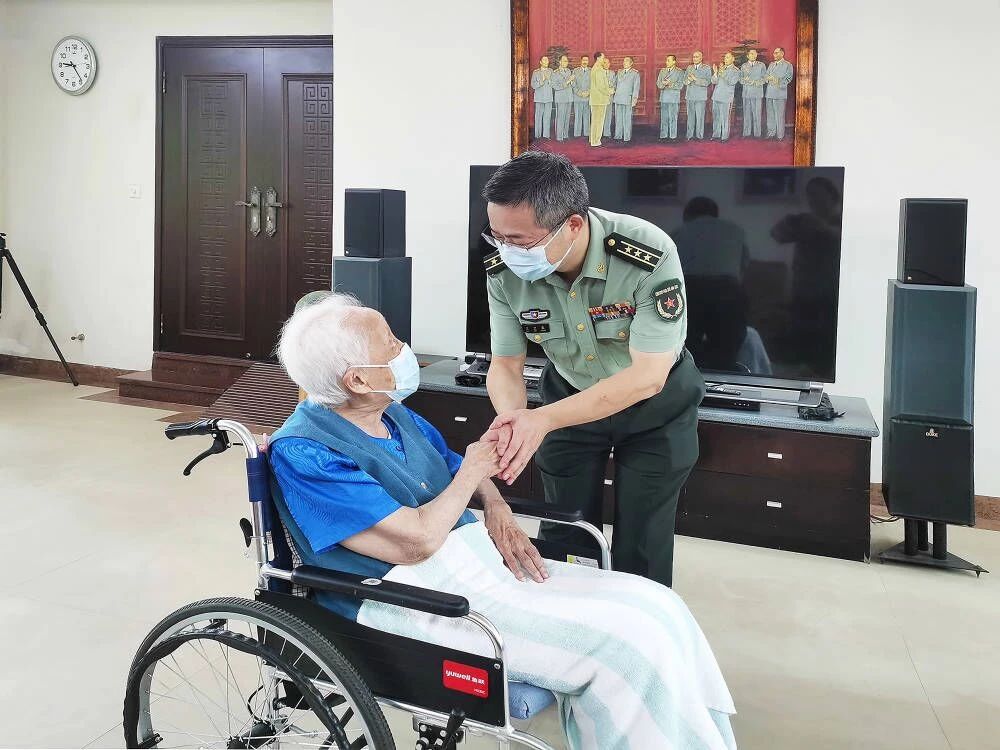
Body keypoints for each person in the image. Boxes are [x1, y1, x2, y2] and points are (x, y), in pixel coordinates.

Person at [269, 294, 737, 750]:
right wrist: (474, 471)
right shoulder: (306, 451)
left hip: (479, 565)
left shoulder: (392, 414)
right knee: (625, 645)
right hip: (414, 600)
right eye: (390, 343)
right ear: (356, 379)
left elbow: (453, 464)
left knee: (658, 604)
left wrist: (495, 505)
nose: (403, 348)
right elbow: (416, 541)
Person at [480, 151, 706, 589]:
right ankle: (569, 616)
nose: (507, 252)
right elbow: (506, 363)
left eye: (520, 242)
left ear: (573, 225)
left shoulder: (647, 251)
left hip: (655, 408)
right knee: (566, 529)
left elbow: (647, 377)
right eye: (497, 238)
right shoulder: (503, 271)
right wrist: (514, 420)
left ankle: (635, 622)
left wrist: (540, 420)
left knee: (643, 538)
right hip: (568, 400)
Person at [765, 46, 794, 140]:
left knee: (780, 115)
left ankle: (780, 135)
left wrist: (777, 80)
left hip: (780, 93)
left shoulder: (788, 65)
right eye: (774, 53)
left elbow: (788, 78)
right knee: (770, 115)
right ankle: (771, 133)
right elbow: (766, 76)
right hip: (769, 93)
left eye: (776, 53)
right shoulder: (771, 64)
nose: (774, 55)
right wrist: (768, 78)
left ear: (782, 53)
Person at [710, 52, 740, 142]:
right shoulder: (722, 68)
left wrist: (722, 74)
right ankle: (716, 134)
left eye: (727, 57)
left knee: (725, 118)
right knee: (716, 117)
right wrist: (715, 73)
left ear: (733, 59)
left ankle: (724, 136)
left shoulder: (736, 70)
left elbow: (732, 82)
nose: (725, 59)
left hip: (726, 97)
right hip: (716, 95)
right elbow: (714, 81)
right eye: (725, 58)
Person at [656, 54, 685, 139]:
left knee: (673, 118)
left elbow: (680, 85)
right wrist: (663, 84)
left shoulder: (679, 72)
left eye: (668, 60)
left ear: (674, 61)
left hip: (673, 98)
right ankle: (663, 136)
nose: (666, 62)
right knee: (664, 118)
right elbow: (658, 83)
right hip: (664, 97)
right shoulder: (662, 71)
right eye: (666, 60)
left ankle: (673, 136)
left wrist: (670, 84)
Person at [685, 50, 712, 140]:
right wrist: (688, 81)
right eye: (693, 57)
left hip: (700, 96)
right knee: (690, 117)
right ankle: (689, 135)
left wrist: (695, 79)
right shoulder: (689, 67)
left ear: (701, 58)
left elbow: (707, 82)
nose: (694, 59)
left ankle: (699, 136)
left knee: (700, 117)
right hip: (690, 96)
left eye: (696, 57)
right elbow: (684, 80)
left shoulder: (706, 68)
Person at [612, 56, 640, 142]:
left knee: (627, 119)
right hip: (618, 98)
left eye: (627, 61)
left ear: (631, 63)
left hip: (628, 98)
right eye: (624, 61)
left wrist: (634, 99)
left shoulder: (635, 73)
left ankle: (626, 137)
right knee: (618, 118)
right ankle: (618, 136)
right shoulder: (619, 72)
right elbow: (614, 84)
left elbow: (636, 88)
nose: (624, 63)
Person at [588, 51, 612, 147]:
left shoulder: (595, 68)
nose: (604, 59)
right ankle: (596, 141)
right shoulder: (598, 70)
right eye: (603, 57)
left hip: (596, 99)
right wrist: (609, 91)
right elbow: (600, 86)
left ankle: (593, 140)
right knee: (598, 121)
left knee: (595, 121)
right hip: (600, 99)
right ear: (598, 58)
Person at [740, 48, 766, 138]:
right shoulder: (744, 66)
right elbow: (740, 79)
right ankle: (746, 133)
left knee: (757, 114)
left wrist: (756, 82)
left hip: (757, 93)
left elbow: (765, 78)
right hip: (746, 93)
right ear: (747, 56)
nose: (754, 55)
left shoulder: (761, 65)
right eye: (751, 54)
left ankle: (757, 134)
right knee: (746, 114)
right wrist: (746, 81)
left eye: (755, 54)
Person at [551, 54, 575, 141]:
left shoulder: (568, 71)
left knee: (567, 117)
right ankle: (559, 137)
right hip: (561, 98)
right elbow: (555, 86)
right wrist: (568, 81)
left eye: (567, 61)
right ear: (560, 62)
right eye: (564, 61)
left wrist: (572, 82)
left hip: (569, 97)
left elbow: (572, 84)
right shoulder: (555, 73)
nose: (566, 62)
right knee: (560, 117)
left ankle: (565, 135)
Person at [530, 56, 554, 139]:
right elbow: (533, 85)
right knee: (538, 117)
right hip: (539, 98)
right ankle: (537, 135)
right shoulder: (536, 72)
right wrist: (542, 80)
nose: (547, 61)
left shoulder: (551, 71)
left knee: (547, 117)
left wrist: (550, 80)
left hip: (548, 98)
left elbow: (554, 84)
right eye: (544, 60)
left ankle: (546, 135)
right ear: (540, 62)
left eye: (547, 60)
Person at [571, 54, 591, 138]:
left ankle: (587, 133)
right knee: (578, 116)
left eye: (586, 60)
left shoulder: (591, 71)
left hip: (588, 97)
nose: (585, 62)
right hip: (578, 97)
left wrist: (588, 92)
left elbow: (594, 84)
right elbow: (573, 84)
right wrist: (579, 93)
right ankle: (577, 134)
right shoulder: (575, 71)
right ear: (581, 61)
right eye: (583, 60)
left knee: (587, 116)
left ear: (588, 61)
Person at [603, 56, 617, 139]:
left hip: (609, 97)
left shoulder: (612, 73)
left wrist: (612, 90)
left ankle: (607, 133)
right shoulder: (599, 73)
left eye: (608, 63)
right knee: (600, 116)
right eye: (604, 63)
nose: (606, 64)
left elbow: (614, 84)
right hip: (601, 97)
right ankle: (599, 133)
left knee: (608, 115)